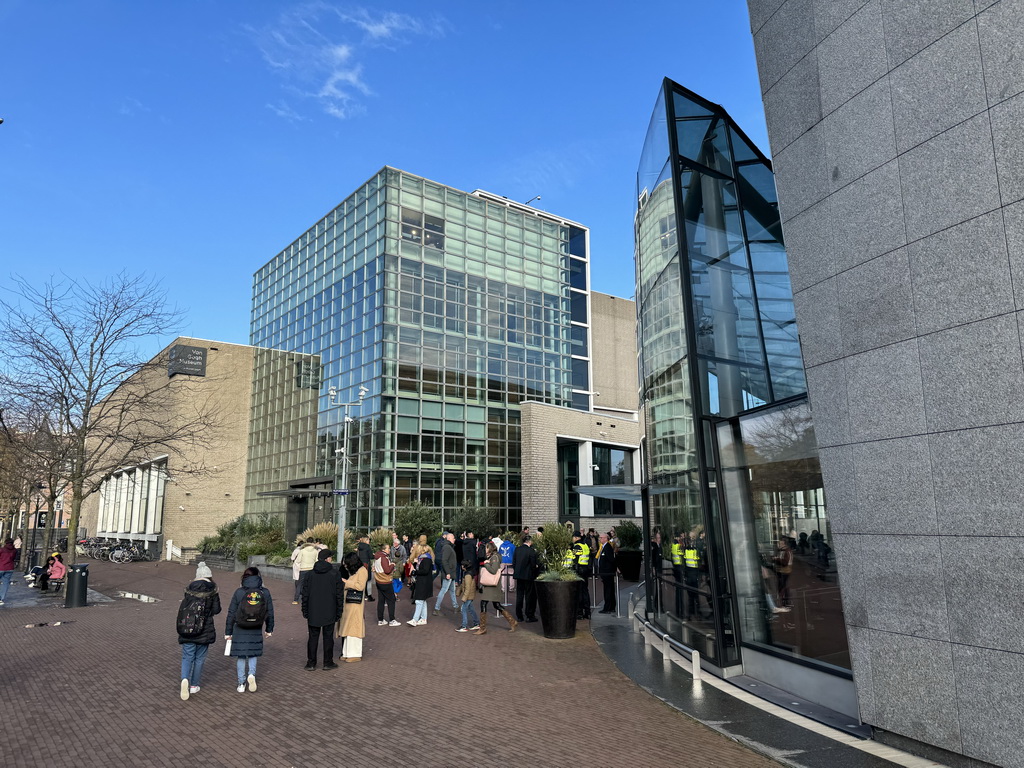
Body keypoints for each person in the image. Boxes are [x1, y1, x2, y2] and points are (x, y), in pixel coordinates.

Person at [225, 566, 274, 693]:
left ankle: (241, 683)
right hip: (256, 626)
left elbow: (231, 612)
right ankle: (251, 675)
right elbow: (270, 612)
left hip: (240, 626)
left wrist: (228, 632)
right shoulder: (265, 592)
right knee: (253, 653)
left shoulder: (239, 592)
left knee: (241, 656)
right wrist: (269, 629)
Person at [177, 562, 221, 700]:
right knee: (200, 658)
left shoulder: (189, 589)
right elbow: (216, 610)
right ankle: (194, 685)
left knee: (187, 656)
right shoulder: (213, 590)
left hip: (188, 626)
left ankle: (185, 679)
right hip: (205, 629)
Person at [302, 549, 342, 671]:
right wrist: (339, 610)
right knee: (328, 637)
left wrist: (305, 610)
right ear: (327, 559)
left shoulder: (309, 574)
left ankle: (311, 662)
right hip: (329, 609)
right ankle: (327, 662)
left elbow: (305, 594)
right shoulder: (334, 574)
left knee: (313, 637)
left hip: (313, 610)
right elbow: (339, 594)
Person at [475, 541, 517, 635]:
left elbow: (493, 571)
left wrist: (486, 564)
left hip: (492, 586)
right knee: (496, 605)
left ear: (489, 548)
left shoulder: (494, 558)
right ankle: (512, 622)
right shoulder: (494, 556)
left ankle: (482, 628)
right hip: (492, 586)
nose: (485, 550)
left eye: (486, 548)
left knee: (484, 603)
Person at [339, 551, 368, 661]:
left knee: (354, 627)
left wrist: (346, 582)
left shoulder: (362, 571)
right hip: (349, 603)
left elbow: (360, 586)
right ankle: (347, 652)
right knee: (349, 627)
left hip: (355, 604)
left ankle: (354, 654)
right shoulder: (355, 571)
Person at [372, 542, 400, 626]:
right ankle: (392, 620)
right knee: (391, 600)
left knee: (381, 600)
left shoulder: (377, 557)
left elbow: (375, 568)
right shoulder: (383, 558)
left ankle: (380, 620)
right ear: (384, 549)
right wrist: (392, 565)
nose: (389, 549)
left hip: (378, 581)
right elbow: (387, 570)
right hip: (385, 582)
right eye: (388, 548)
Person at [512, 534, 538, 622]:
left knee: (519, 595)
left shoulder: (517, 549)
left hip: (519, 575)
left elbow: (514, 562)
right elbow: (533, 564)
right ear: (530, 542)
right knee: (529, 596)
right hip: (528, 576)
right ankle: (529, 614)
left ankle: (519, 615)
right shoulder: (531, 551)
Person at [433, 531, 458, 615]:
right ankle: (437, 608)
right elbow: (444, 560)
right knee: (444, 590)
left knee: (452, 590)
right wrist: (448, 572)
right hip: (449, 572)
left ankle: (455, 606)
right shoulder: (447, 547)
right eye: (453, 538)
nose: (454, 539)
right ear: (449, 538)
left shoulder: (448, 546)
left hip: (451, 572)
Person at [408, 548, 433, 626]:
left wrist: (415, 572)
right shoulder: (422, 559)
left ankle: (415, 619)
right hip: (422, 582)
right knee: (422, 600)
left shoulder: (426, 560)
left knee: (419, 600)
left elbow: (425, 570)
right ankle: (423, 618)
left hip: (424, 583)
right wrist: (415, 564)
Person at [455, 561, 481, 632]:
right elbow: (463, 585)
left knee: (463, 609)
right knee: (471, 609)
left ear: (464, 566)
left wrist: (464, 597)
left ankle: (464, 626)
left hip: (468, 595)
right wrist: (458, 592)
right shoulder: (468, 573)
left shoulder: (467, 575)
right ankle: (477, 623)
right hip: (470, 595)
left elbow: (467, 587)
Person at [595, 532, 617, 614]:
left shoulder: (607, 547)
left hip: (607, 572)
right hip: (605, 572)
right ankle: (611, 606)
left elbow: (611, 560)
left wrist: (613, 569)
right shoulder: (603, 547)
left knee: (608, 590)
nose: (600, 539)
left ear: (605, 538)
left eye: (601, 537)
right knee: (609, 589)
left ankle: (608, 607)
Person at [295, 538, 318, 605]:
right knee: (311, 585)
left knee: (300, 584)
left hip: (303, 569)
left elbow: (298, 560)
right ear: (313, 542)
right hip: (312, 569)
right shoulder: (315, 551)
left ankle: (296, 600)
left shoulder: (302, 550)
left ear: (306, 542)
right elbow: (317, 561)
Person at [773, 538, 793, 607]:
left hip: (784, 571)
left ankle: (786, 602)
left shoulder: (786, 551)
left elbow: (785, 562)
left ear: (784, 544)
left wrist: (776, 559)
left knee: (782, 586)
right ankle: (785, 601)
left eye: (780, 543)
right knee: (782, 586)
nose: (778, 545)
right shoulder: (781, 550)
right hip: (781, 570)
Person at [356, 534, 375, 602]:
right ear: (366, 540)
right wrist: (373, 555)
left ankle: (361, 594)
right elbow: (371, 556)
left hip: (360, 564)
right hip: (366, 564)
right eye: (368, 540)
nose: (369, 541)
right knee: (368, 580)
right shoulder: (367, 547)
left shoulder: (359, 546)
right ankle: (368, 595)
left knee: (360, 579)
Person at [0, 538, 18, 606]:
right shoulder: (14, 550)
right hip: (10, 568)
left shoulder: (2, 549)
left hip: (1, 567)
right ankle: (1, 598)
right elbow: (13, 558)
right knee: (5, 583)